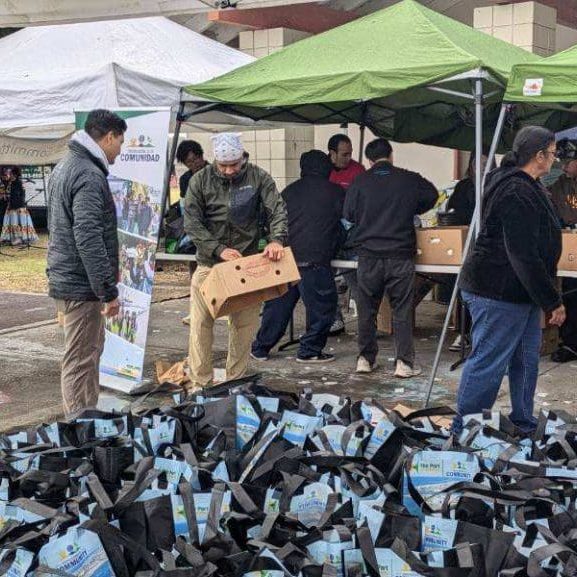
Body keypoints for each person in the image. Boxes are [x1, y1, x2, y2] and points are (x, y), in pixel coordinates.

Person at [453, 126, 565, 434]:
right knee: (488, 362)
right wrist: (552, 300)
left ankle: (523, 421)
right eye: (553, 154)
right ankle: (464, 430)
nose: (555, 160)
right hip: (497, 291)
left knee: (526, 359)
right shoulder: (515, 189)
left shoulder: (528, 184)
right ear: (538, 156)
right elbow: (521, 254)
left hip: (520, 293)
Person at [184, 132, 287, 390]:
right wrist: (218, 249)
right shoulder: (200, 180)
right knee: (200, 326)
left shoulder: (258, 177)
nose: (229, 171)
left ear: (243, 158)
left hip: (248, 264)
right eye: (223, 166)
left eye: (234, 165)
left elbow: (278, 210)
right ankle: (200, 383)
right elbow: (192, 223)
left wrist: (277, 240)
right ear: (215, 161)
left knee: (243, 328)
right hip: (210, 265)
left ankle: (236, 381)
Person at [47, 109, 126, 416]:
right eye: (120, 141)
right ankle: (81, 429)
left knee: (86, 354)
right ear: (108, 137)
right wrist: (107, 290)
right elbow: (88, 237)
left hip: (69, 278)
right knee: (81, 358)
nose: (120, 149)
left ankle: (85, 418)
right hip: (81, 285)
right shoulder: (88, 174)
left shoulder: (67, 165)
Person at [344, 138, 438, 377]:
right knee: (402, 310)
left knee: (367, 309)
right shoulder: (408, 179)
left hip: (368, 256)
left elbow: (348, 214)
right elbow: (432, 195)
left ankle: (365, 359)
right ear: (391, 155)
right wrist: (411, 208)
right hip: (400, 255)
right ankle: (404, 364)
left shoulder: (359, 182)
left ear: (368, 159)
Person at [251, 150, 344, 363]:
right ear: (326, 168)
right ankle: (309, 350)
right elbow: (348, 219)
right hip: (315, 258)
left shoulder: (289, 191)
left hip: (284, 256)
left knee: (278, 306)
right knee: (322, 308)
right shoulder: (335, 192)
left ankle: (261, 348)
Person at [445, 152, 488, 352]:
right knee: (465, 290)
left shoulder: (494, 185)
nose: (481, 167)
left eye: (486, 163)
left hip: (488, 246)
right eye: (477, 163)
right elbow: (452, 211)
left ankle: (480, 332)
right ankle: (463, 332)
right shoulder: (464, 187)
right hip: (466, 245)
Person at [327, 134, 366, 335]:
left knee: (356, 278)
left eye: (350, 153)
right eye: (344, 154)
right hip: (327, 233)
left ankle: (367, 321)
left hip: (352, 234)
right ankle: (334, 319)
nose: (348, 158)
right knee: (326, 280)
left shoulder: (358, 171)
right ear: (331, 153)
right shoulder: (322, 170)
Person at [548, 153, 577, 363]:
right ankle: (570, 343)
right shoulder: (559, 186)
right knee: (571, 293)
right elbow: (558, 212)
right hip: (571, 246)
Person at [0, 166, 38, 246]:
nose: (9, 175)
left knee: (18, 222)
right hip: (12, 205)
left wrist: (14, 203)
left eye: (10, 173)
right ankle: (14, 238)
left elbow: (20, 195)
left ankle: (19, 238)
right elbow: (9, 193)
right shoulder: (11, 182)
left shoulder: (18, 182)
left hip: (18, 206)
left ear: (14, 174)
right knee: (12, 223)